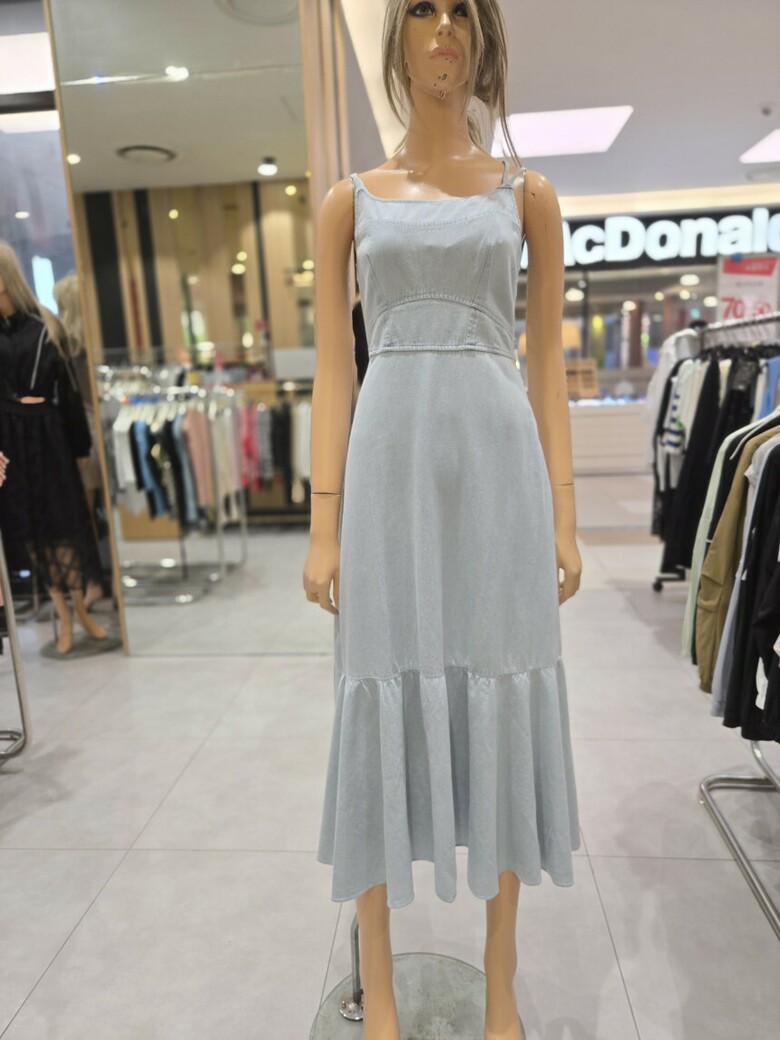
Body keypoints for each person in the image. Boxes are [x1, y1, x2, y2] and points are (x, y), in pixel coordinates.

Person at [303, 3, 582, 1038]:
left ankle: (499, 979)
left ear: (484, 37)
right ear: (398, 38)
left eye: (462, 9)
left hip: (500, 475)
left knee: (502, 682)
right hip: (389, 476)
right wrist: (323, 521)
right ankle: (376, 982)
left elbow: (545, 366)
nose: (443, 27)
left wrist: (563, 513)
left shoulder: (529, 195)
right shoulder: (349, 201)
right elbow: (336, 368)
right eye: (422, 7)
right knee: (378, 685)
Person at [0, 240, 109, 656]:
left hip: (49, 435)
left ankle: (80, 611)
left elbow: (68, 392)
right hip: (9, 439)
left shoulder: (46, 327)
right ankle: (62, 614)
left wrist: (80, 447)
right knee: (30, 530)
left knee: (64, 525)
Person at [53, 272, 105, 609]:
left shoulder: (69, 345)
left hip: (87, 428)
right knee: (93, 511)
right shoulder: (80, 344)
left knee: (85, 514)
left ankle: (95, 581)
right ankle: (97, 581)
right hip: (94, 424)